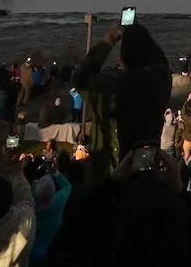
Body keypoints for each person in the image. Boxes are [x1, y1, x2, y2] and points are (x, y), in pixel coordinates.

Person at [72, 21, 172, 172]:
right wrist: (138, 35)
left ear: (121, 58)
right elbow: (162, 63)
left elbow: (79, 78)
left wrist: (107, 42)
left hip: (108, 168)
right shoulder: (159, 82)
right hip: (144, 164)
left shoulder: (113, 85)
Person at [32, 161, 72, 264]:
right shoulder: (58, 201)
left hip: (33, 251)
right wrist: (56, 173)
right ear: (54, 190)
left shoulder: (29, 206)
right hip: (52, 248)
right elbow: (67, 187)